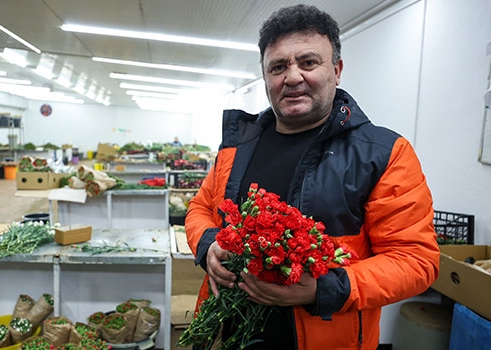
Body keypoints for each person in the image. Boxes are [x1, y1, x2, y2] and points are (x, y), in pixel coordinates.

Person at [184, 4, 439, 350]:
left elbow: (415, 261)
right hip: (228, 333)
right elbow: (199, 208)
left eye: (308, 62)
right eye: (278, 67)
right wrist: (209, 244)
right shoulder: (238, 146)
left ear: (337, 69)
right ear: (265, 77)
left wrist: (323, 289)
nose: (291, 77)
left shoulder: (382, 153)